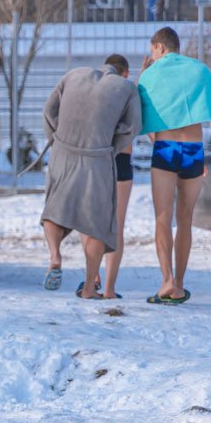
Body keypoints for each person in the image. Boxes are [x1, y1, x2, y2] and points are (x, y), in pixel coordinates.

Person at [40, 55, 141, 299]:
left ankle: (55, 255)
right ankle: (88, 287)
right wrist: (109, 148)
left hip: (63, 152)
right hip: (98, 158)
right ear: (125, 72)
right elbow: (132, 127)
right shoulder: (126, 88)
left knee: (54, 210)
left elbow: (48, 110)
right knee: (96, 224)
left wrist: (56, 139)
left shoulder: (73, 75)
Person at [137, 26, 211, 304]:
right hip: (194, 150)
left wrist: (143, 73)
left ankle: (167, 281)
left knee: (163, 217)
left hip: (166, 148)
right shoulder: (199, 70)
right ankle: (180, 285)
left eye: (152, 52)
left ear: (159, 47)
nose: (152, 57)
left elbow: (140, 112)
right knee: (185, 220)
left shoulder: (151, 74)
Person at [85, 54, 137, 299]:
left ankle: (92, 277)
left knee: (90, 223)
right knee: (116, 226)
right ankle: (109, 289)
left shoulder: (94, 93)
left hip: (96, 161)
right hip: (122, 162)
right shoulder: (129, 91)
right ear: (126, 73)